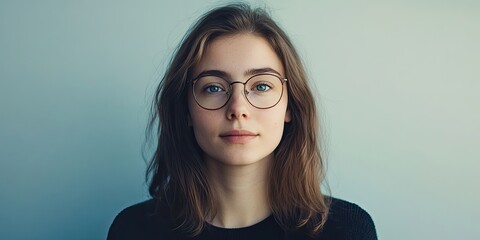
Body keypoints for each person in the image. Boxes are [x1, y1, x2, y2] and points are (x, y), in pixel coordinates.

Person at [107, 3, 377, 240]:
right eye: (213, 88)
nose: (238, 109)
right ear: (186, 110)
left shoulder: (346, 231)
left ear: (290, 107)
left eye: (261, 86)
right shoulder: (134, 230)